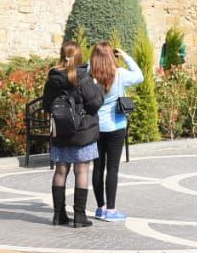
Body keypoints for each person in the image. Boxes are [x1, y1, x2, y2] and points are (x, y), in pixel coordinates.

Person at [42, 41, 106, 228]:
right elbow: (95, 104)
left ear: (62, 55)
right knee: (82, 171)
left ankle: (58, 215)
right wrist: (98, 88)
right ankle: (79, 216)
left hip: (61, 132)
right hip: (82, 133)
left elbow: (47, 105)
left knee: (60, 171)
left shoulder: (53, 78)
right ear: (78, 57)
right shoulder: (83, 78)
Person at [88, 42, 143, 222]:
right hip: (116, 125)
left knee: (98, 166)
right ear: (112, 56)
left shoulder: (90, 75)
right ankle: (111, 210)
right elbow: (139, 76)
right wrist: (125, 56)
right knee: (112, 168)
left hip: (95, 126)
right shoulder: (119, 75)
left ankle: (100, 207)